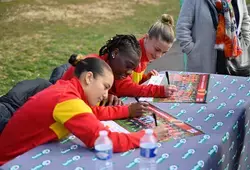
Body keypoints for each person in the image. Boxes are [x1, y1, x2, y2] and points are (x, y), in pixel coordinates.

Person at [0, 57, 169, 165]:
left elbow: (92, 113)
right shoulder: (67, 100)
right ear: (89, 77)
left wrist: (127, 110)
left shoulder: (67, 90)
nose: (106, 94)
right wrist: (149, 136)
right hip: (11, 163)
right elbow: (105, 141)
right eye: (105, 87)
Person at [61, 24, 177, 97]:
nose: (158, 56)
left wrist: (144, 79)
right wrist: (158, 91)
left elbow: (129, 82)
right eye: (157, 49)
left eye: (164, 53)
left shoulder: (141, 55)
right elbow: (124, 88)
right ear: (146, 38)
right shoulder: (131, 56)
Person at [176, 0, 250, 74]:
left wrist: (245, 42)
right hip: (204, 63)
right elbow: (182, 28)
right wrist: (193, 52)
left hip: (235, 60)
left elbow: (245, 18)